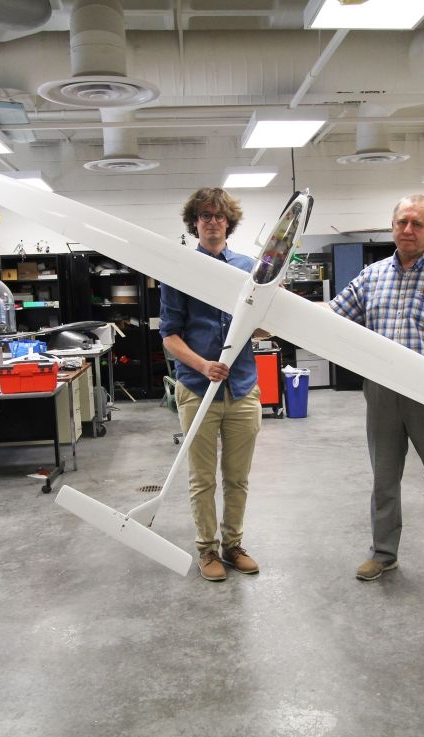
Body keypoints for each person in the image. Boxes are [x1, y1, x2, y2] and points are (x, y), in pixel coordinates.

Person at [328, 194, 424, 591]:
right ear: (392, 227)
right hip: (381, 391)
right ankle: (383, 554)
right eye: (401, 222)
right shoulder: (372, 275)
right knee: (383, 478)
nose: (407, 230)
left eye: (416, 224)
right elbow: (330, 316)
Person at [159, 187, 263, 582]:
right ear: (195, 222)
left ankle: (233, 545)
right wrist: (204, 366)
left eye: (219, 216)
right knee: (202, 478)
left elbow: (262, 326)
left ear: (228, 222)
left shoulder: (249, 269)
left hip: (242, 388)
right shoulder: (180, 269)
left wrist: (278, 306)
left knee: (237, 477)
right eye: (205, 216)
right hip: (197, 388)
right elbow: (169, 335)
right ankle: (207, 550)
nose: (213, 222)